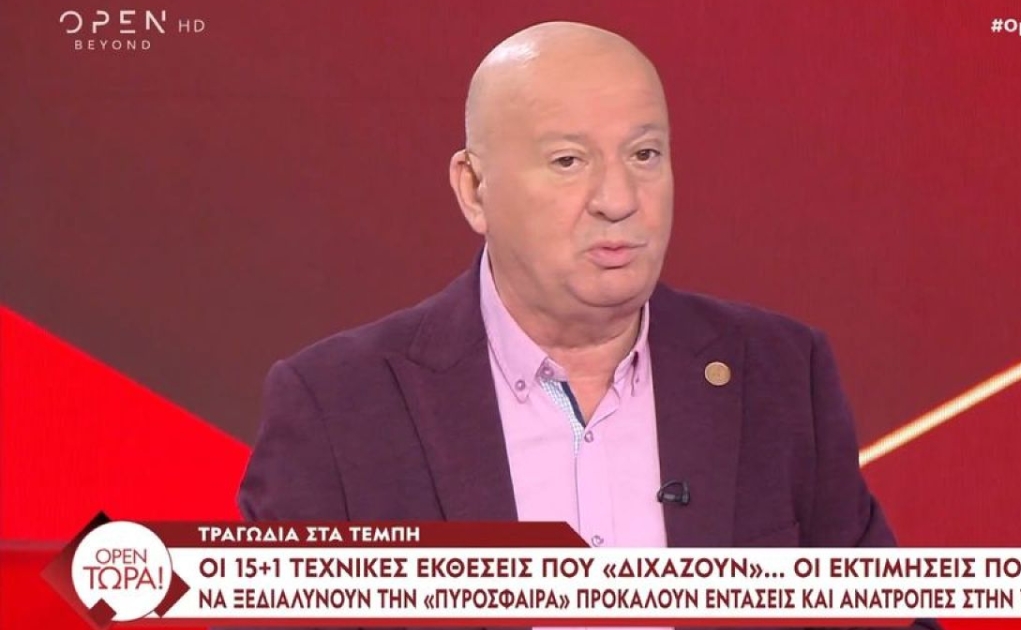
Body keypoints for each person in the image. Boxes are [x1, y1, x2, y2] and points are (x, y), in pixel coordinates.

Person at [239, 21, 938, 630]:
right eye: (568, 161)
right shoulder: (338, 406)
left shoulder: (781, 374)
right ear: (474, 189)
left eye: (644, 155)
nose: (618, 199)